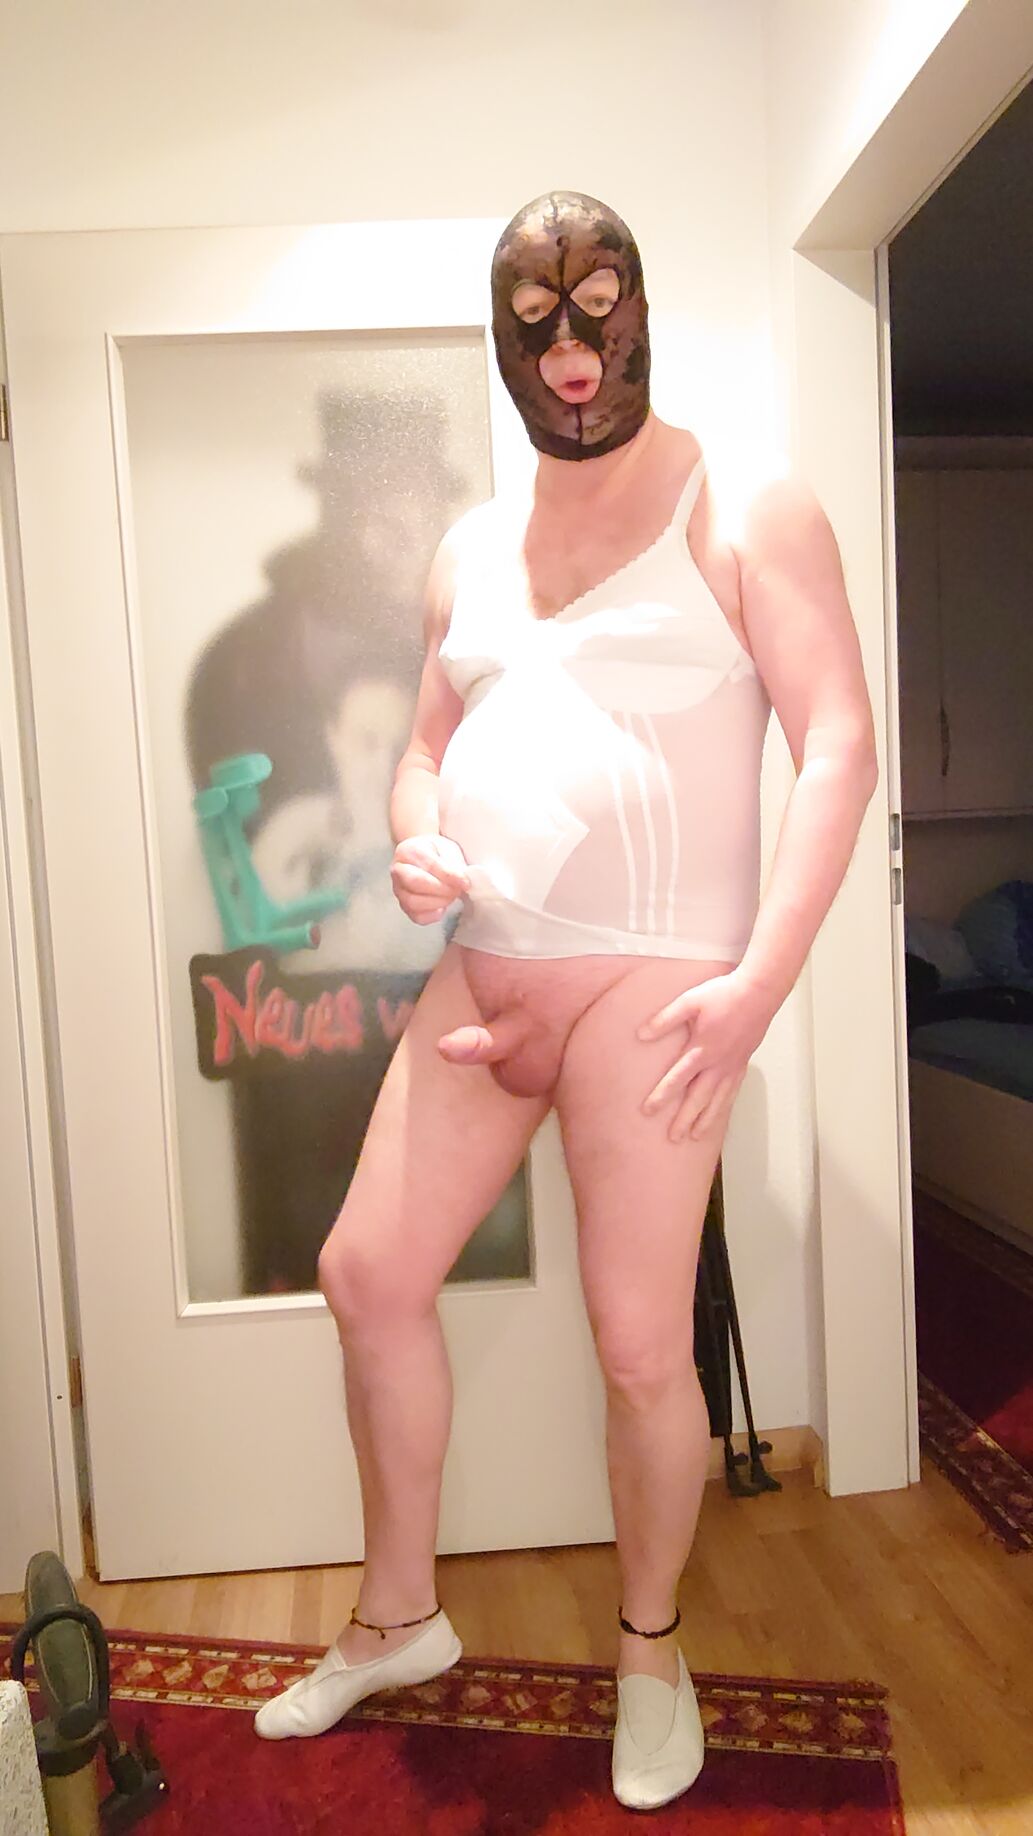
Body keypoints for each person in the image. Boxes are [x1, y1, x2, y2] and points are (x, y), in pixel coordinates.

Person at [254, 190, 878, 1811]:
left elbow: (836, 741)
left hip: (656, 995)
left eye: (596, 301)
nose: (572, 344)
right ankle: (399, 1618)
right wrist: (414, 842)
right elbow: (421, 753)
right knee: (365, 1272)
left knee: (637, 1344)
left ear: (639, 306)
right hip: (486, 962)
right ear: (502, 340)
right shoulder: (471, 548)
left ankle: (650, 1652)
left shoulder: (745, 503)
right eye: (534, 318)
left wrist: (756, 987)